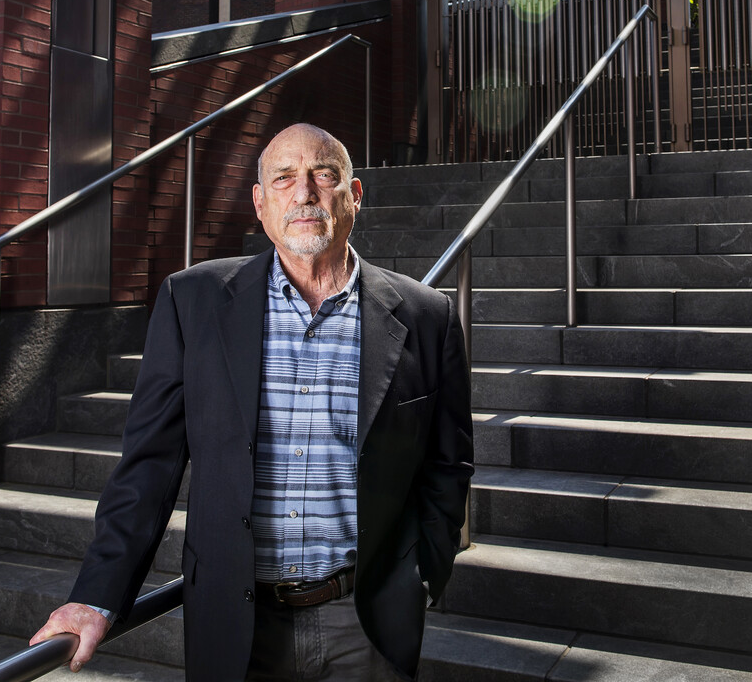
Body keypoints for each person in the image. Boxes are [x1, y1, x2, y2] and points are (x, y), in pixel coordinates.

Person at [30, 123, 474, 680]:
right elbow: (149, 468)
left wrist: (423, 574)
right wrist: (96, 598)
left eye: (324, 175)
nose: (305, 192)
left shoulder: (426, 316)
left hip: (366, 622)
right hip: (235, 621)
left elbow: (447, 464)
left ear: (353, 196)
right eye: (283, 179)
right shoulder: (192, 301)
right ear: (261, 205)